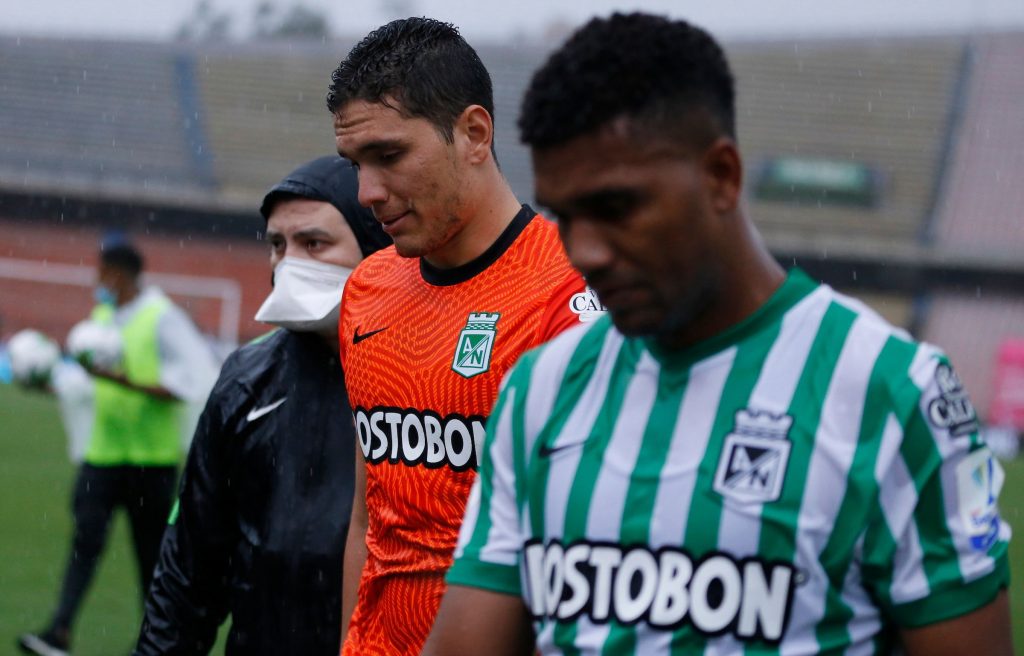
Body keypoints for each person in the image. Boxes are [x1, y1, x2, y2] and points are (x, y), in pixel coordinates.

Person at [427, 13, 1014, 656]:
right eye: (565, 216)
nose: (585, 251)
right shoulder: (540, 389)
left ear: (722, 176)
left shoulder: (892, 390)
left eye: (617, 207)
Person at [327, 17, 594, 656]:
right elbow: (371, 518)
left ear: (474, 133)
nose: (366, 192)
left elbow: (581, 549)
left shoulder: (570, 298)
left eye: (388, 156)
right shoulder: (366, 289)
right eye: (355, 163)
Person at [132, 156, 390, 655]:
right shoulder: (245, 379)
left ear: (375, 247)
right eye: (277, 245)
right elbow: (188, 571)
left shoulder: (425, 378)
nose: (287, 263)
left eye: (313, 243)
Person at [19, 239, 218, 656]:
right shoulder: (104, 317)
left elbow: (189, 384)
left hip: (151, 461)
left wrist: (120, 381)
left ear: (121, 274)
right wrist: (51, 384)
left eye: (103, 272)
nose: (98, 281)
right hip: (103, 456)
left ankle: (153, 642)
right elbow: (89, 381)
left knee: (153, 559)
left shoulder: (162, 318)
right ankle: (58, 633)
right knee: (84, 544)